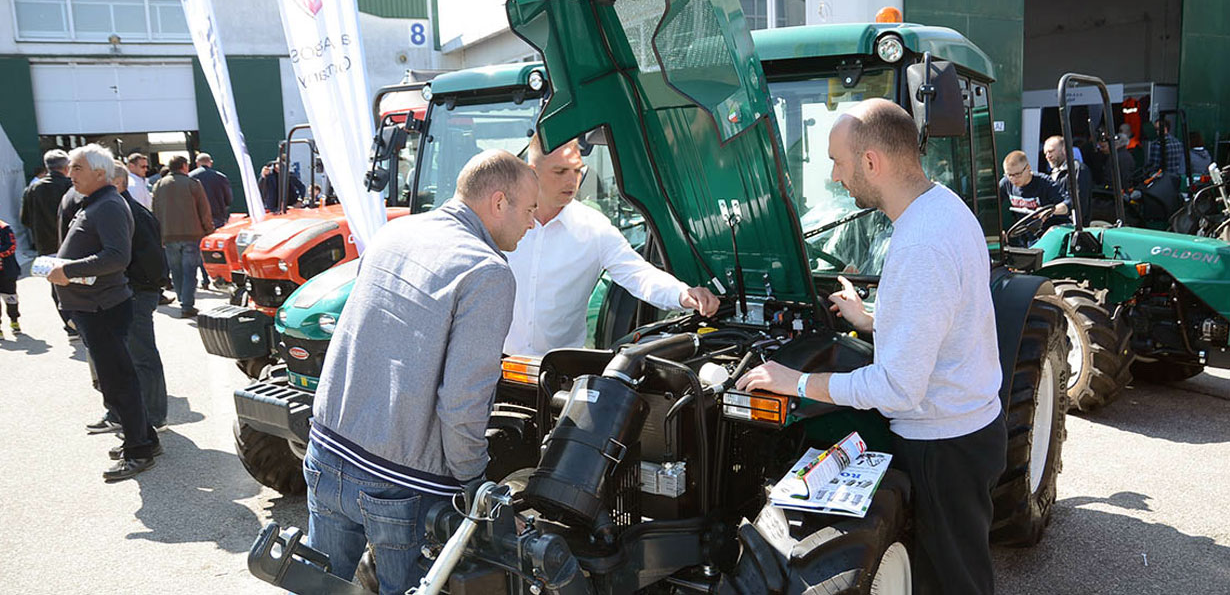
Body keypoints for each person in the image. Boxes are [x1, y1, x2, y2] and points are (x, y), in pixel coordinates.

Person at [735, 99, 1005, 595]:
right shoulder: (942, 206)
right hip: (964, 428)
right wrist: (873, 320)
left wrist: (798, 383)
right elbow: (940, 324)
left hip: (943, 444)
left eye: (838, 162)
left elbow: (898, 388)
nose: (836, 176)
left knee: (953, 582)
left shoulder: (921, 243)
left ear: (872, 162)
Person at [306, 149, 538, 593]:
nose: (532, 223)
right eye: (529, 210)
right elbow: (463, 399)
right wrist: (475, 482)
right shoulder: (487, 272)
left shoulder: (396, 232)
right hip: (400, 486)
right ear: (498, 202)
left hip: (328, 449)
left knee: (318, 586)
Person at [503, 134, 719, 356]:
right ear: (531, 172)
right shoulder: (500, 221)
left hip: (557, 372)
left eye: (577, 171)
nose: (572, 181)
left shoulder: (594, 228)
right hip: (496, 369)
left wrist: (683, 294)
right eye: (560, 171)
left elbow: (638, 273)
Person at [46, 144, 160, 481]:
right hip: (94, 306)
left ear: (100, 173)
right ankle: (145, 439)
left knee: (118, 381)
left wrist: (66, 271)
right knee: (118, 377)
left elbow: (116, 257)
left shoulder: (108, 205)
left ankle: (138, 450)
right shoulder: (94, 202)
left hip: (102, 307)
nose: (71, 174)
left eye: (78, 168)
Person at [85, 164, 170, 434]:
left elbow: (152, 260)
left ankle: (154, 417)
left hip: (135, 294)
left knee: (142, 356)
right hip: (117, 294)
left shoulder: (133, 213)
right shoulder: (111, 210)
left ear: (118, 183)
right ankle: (120, 414)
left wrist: (140, 290)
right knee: (119, 360)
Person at [21, 149, 77, 337]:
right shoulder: (72, 186)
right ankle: (80, 322)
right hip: (72, 244)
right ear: (67, 166)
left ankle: (69, 324)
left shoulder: (33, 189)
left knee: (56, 285)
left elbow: (25, 220)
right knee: (78, 282)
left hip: (46, 245)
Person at [152, 155, 213, 318]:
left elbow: (154, 212)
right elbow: (204, 210)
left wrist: (159, 235)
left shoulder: (159, 185)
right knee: (189, 270)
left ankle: (182, 300)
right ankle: (187, 304)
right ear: (184, 166)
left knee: (176, 270)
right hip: (191, 234)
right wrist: (209, 230)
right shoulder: (193, 184)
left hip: (169, 235)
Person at [998, 150, 1070, 244]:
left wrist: (1049, 211)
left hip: (1051, 235)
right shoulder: (1005, 184)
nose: (1013, 179)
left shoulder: (1045, 183)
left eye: (1017, 174)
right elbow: (992, 207)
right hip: (1026, 235)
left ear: (1028, 168)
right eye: (1009, 175)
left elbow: (1067, 204)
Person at [190, 153, 233, 288]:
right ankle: (219, 277)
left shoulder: (190, 178)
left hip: (197, 218)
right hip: (217, 217)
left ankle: (205, 279)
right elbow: (229, 199)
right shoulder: (220, 177)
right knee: (216, 250)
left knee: (200, 249)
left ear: (197, 163)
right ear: (210, 162)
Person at [1043, 135, 1093, 227]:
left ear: (1064, 150)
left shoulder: (1077, 169)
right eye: (1045, 153)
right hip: (1054, 227)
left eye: (1050, 151)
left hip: (1071, 229)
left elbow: (1080, 204)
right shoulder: (1053, 173)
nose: (1048, 156)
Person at [0, 219, 20, 335]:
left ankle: (14, 320)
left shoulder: (4, 228)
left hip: (7, 272)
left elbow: (11, 247)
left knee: (11, 298)